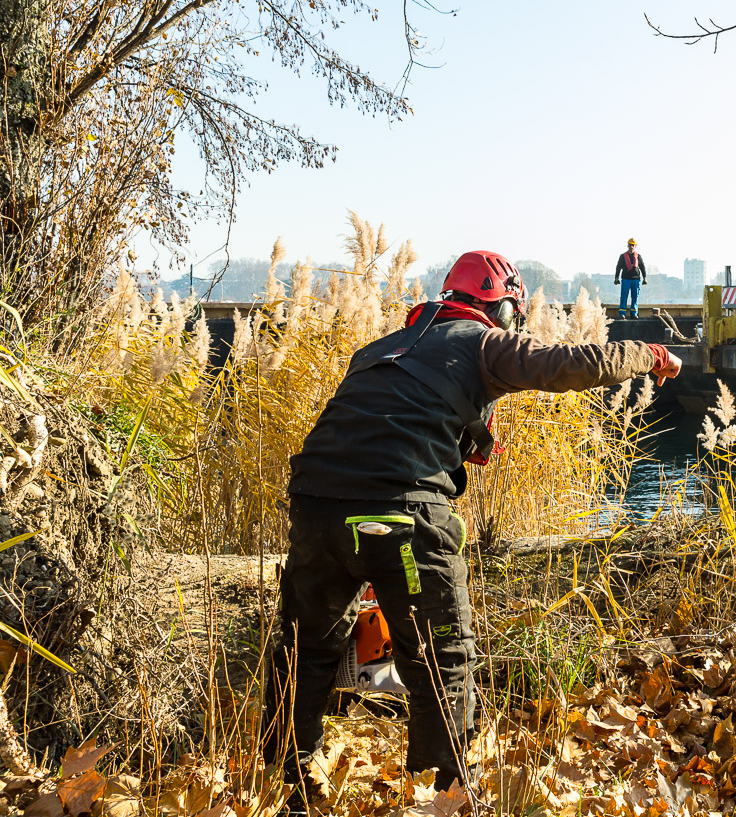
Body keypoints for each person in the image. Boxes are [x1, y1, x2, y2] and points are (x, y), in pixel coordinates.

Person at [262, 250, 681, 813]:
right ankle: (439, 800)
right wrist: (647, 353)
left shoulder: (380, 349)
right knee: (442, 658)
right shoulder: (483, 341)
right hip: (401, 512)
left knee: (304, 648)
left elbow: (383, 419)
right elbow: (571, 362)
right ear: (500, 305)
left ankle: (282, 784)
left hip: (313, 506)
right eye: (515, 309)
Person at [614, 238, 647, 318]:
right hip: (626, 279)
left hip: (636, 279)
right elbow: (618, 267)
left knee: (635, 296)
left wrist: (645, 277)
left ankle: (634, 313)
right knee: (624, 296)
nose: (631, 246)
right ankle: (622, 313)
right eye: (630, 245)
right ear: (627, 245)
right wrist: (616, 277)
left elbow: (642, 267)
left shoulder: (638, 256)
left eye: (633, 245)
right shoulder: (623, 256)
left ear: (635, 246)